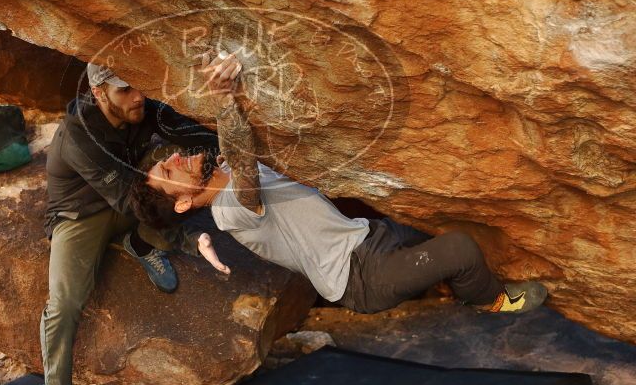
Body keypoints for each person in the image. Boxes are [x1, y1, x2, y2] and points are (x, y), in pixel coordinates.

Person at [128, 52, 548, 319]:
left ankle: (447, 282)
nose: (172, 159)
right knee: (460, 248)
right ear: (182, 204)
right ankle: (490, 302)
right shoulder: (230, 212)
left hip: (368, 240)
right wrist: (224, 96)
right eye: (168, 174)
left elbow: (233, 155)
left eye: (164, 160)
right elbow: (245, 162)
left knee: (430, 229)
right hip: (361, 278)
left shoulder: (223, 171)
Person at [33, 62, 219, 385]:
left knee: (175, 180)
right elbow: (134, 201)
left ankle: (137, 242)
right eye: (125, 91)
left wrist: (209, 162)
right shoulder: (79, 134)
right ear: (100, 93)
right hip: (80, 215)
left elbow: (198, 137)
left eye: (140, 86)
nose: (139, 97)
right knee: (65, 302)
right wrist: (187, 238)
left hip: (128, 196)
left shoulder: (143, 108)